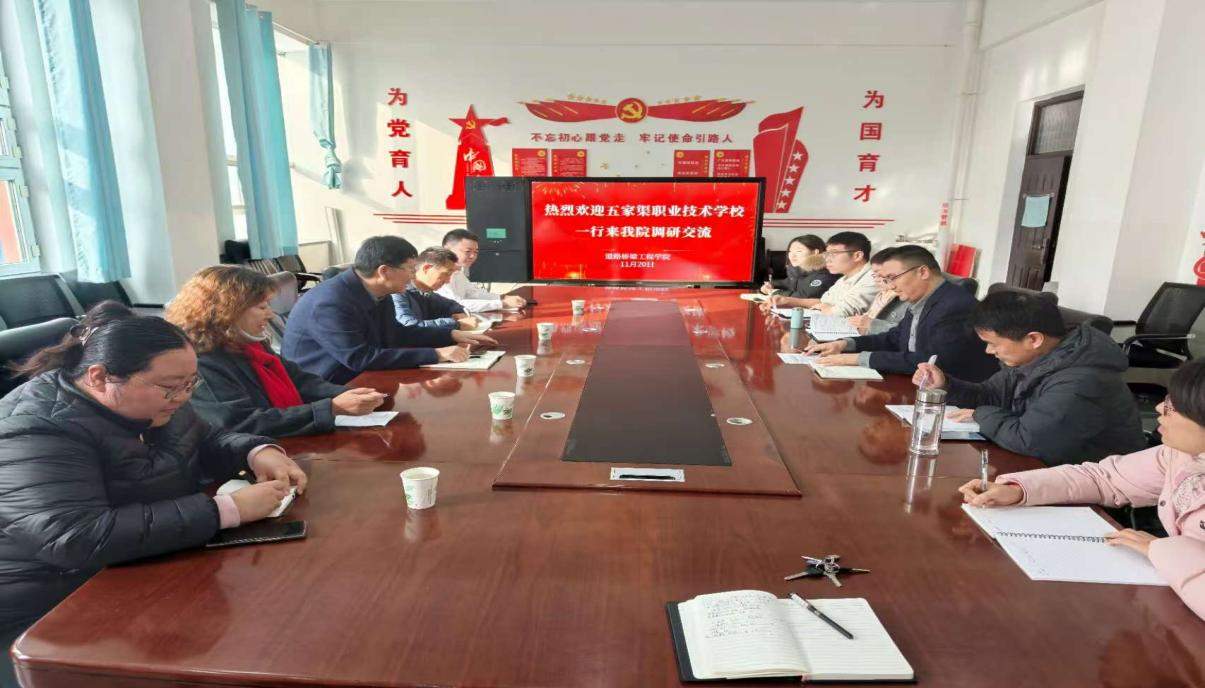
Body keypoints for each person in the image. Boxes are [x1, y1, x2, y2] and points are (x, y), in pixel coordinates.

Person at [0, 303, 305, 685]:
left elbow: (207, 438)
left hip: (135, 565)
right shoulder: (33, 428)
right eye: (171, 387)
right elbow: (73, 536)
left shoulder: (157, 402)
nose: (183, 397)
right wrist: (225, 511)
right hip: (48, 599)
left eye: (191, 384)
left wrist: (258, 452)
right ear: (99, 377)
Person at [960, 357, 1205, 621]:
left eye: (1175, 407)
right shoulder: (1182, 455)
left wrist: (1162, 551)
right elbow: (1105, 478)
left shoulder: (1081, 379)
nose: (1159, 407)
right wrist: (1019, 489)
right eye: (1168, 399)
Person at [913, 290, 1145, 464]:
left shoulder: (1081, 379)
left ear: (1033, 339)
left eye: (993, 344)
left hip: (1092, 489)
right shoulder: (1034, 358)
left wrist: (980, 414)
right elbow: (991, 395)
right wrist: (945, 385)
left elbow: (1029, 440)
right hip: (1046, 469)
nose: (989, 351)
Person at [167, 266, 387, 437]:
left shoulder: (249, 342)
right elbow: (240, 422)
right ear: (228, 311)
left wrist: (349, 394)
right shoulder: (199, 362)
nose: (270, 315)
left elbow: (299, 380)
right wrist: (330, 409)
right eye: (262, 307)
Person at [283, 235, 498, 384]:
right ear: (384, 271)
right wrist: (436, 354)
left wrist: (450, 334)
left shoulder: (379, 291)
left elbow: (396, 333)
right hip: (330, 385)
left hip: (361, 377)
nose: (413, 276)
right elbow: (360, 358)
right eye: (410, 270)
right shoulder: (331, 302)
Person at [808, 244, 998, 382]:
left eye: (893, 278)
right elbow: (894, 338)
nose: (890, 286)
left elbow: (929, 361)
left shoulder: (955, 306)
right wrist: (845, 344)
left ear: (922, 272)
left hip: (951, 398)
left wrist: (857, 358)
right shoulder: (922, 299)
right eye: (885, 279)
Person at [768, 231, 878, 316]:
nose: (827, 259)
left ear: (857, 256)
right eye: (827, 254)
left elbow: (840, 313)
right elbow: (822, 302)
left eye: (834, 253)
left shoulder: (874, 278)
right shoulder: (844, 278)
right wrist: (787, 301)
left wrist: (827, 307)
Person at [438, 228, 526, 312]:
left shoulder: (458, 272)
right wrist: (502, 303)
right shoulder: (440, 274)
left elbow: (473, 293)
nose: (473, 256)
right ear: (447, 251)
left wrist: (502, 298)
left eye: (475, 252)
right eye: (468, 251)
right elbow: (456, 305)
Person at [393, 247, 482, 330]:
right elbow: (409, 325)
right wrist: (457, 324)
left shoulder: (426, 293)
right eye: (446, 274)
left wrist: (459, 313)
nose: (447, 281)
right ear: (426, 268)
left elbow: (452, 305)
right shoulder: (398, 292)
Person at [759, 234, 838, 299]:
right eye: (790, 251)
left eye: (798, 251)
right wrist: (770, 285)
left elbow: (806, 297)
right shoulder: (800, 271)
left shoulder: (826, 273)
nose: (792, 255)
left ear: (815, 252)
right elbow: (787, 283)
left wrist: (775, 293)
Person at [847, 247, 904, 335]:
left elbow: (905, 330)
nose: (877, 279)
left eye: (881, 275)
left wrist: (870, 324)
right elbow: (870, 314)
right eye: (874, 275)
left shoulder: (901, 297)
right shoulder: (881, 294)